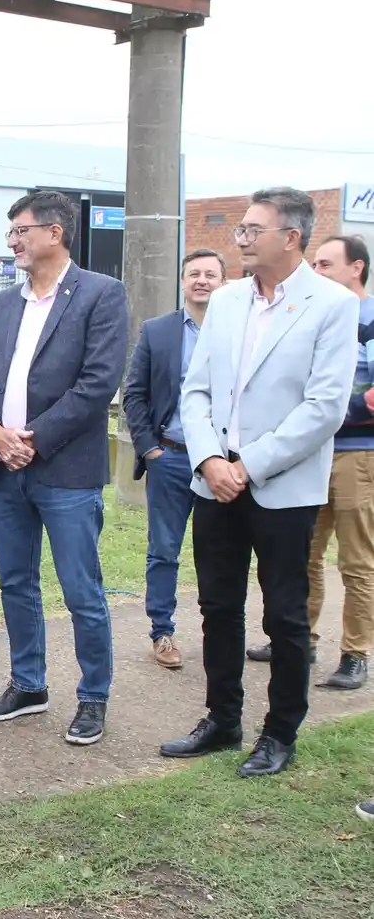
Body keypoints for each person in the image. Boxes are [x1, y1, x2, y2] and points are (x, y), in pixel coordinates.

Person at [161, 187, 358, 778]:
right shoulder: (225, 301)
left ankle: (280, 734)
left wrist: (249, 466)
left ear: (290, 237)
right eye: (241, 229)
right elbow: (195, 390)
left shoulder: (331, 305)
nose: (240, 238)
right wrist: (209, 461)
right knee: (218, 607)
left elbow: (325, 408)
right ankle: (223, 719)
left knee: (285, 616)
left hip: (281, 485)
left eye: (252, 230)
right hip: (214, 481)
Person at [0, 190, 129, 746]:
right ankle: (29, 685)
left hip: (65, 472)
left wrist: (32, 440)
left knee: (81, 589)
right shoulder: (5, 302)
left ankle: (93, 697)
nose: (12, 241)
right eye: (10, 232)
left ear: (55, 233)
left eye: (20, 231)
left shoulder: (102, 295)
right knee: (15, 582)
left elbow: (97, 384)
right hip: (5, 469)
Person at [244, 235, 374, 690]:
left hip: (358, 456)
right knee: (304, 556)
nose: (315, 271)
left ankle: (355, 653)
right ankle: (302, 637)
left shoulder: (369, 320)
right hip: (303, 454)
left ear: (356, 268)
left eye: (325, 263)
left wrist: (345, 404)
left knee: (357, 560)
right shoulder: (307, 314)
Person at [123, 249, 227, 670]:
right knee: (164, 550)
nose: (202, 280)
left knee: (218, 551)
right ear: (182, 281)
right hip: (171, 457)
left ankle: (218, 633)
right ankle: (161, 632)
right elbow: (134, 393)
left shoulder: (237, 331)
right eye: (194, 274)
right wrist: (151, 449)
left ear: (224, 282)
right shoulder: (158, 331)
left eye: (211, 275)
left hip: (221, 464)